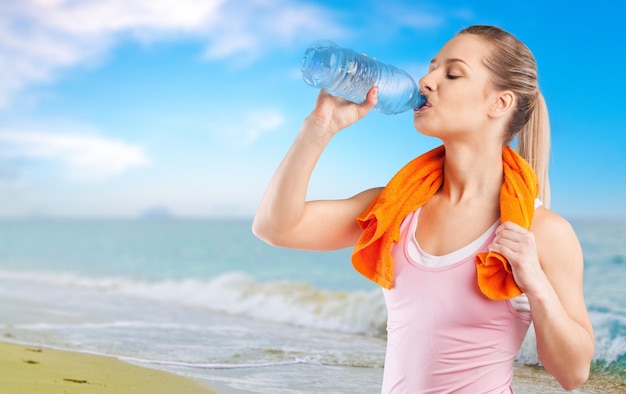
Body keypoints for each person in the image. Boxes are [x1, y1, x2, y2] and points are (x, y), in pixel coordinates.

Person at [252, 25, 594, 393]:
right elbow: (276, 228)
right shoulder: (394, 208)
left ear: (500, 103)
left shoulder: (540, 232)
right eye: (432, 68)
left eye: (452, 73)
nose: (427, 80)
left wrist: (537, 284)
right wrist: (319, 127)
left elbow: (573, 374)